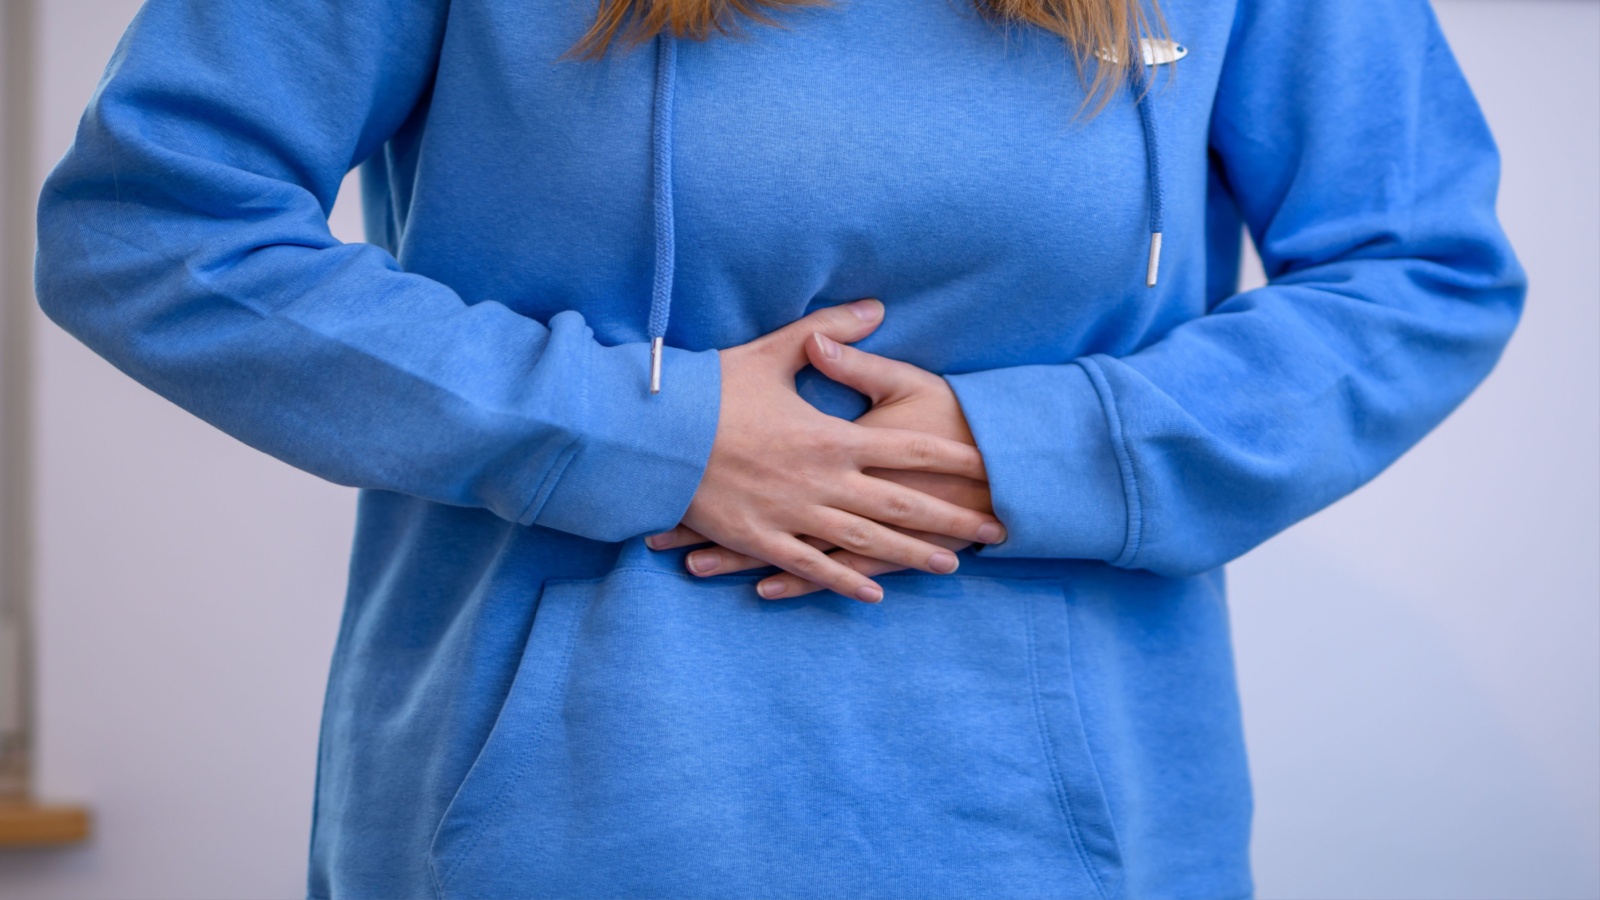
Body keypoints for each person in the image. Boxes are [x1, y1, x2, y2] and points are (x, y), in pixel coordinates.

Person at [34, 0, 1523, 895]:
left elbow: (1420, 274)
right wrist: (645, 431)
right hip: (552, 828)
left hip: (1085, 834)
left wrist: (1036, 450)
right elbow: (154, 228)